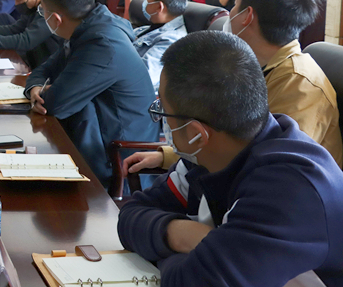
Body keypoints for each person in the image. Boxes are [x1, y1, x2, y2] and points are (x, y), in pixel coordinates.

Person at [118, 31, 343, 287]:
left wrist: (181, 249)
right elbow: (131, 216)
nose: (163, 120)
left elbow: (191, 282)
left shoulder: (288, 191)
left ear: (196, 133)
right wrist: (181, 234)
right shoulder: (205, 156)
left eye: (163, 111)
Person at [127, 0, 342, 172]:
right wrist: (168, 156)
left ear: (247, 16)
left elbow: (272, 166)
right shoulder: (250, 66)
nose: (229, 14)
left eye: (235, 4)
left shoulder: (300, 86)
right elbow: (224, 140)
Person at [25, 0, 158, 187]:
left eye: (42, 11)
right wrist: (35, 87)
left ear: (56, 18)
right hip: (95, 135)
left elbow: (55, 104)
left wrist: (49, 91)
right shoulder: (87, 28)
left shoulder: (102, 43)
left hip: (119, 158)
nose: (42, 15)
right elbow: (44, 69)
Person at [131, 0, 188, 92]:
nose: (144, 2)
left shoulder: (171, 41)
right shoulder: (147, 28)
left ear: (159, 7)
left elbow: (141, 78)